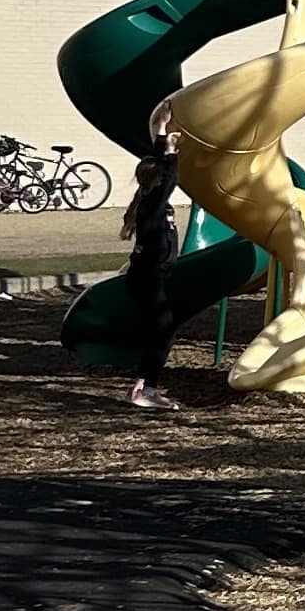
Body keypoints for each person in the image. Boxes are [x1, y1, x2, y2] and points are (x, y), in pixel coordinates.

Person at [123, 109, 182, 410]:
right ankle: (145, 389)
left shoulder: (150, 198)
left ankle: (142, 387)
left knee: (160, 330)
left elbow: (159, 170)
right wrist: (170, 151)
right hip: (148, 276)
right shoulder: (153, 204)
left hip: (148, 274)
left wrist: (162, 130)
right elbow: (169, 177)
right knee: (162, 331)